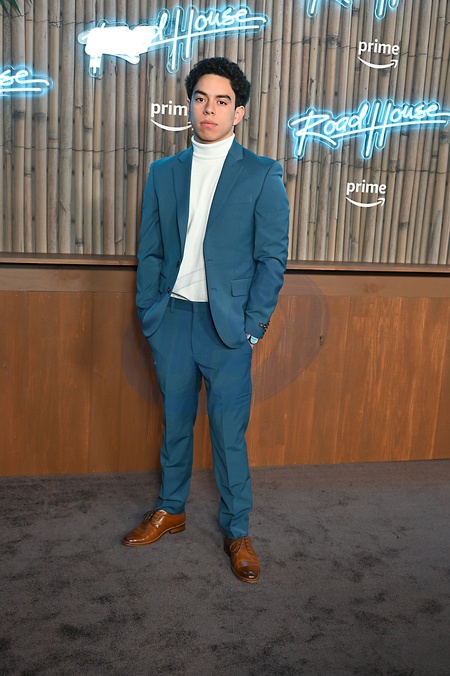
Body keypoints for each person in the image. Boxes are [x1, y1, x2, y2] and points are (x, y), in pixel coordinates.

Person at [122, 57, 290, 584]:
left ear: (238, 112)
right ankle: (170, 509)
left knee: (227, 433)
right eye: (200, 98)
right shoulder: (163, 172)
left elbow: (272, 258)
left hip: (228, 328)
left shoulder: (262, 173)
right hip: (172, 320)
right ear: (190, 105)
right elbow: (150, 251)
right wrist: (150, 312)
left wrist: (252, 327)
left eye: (221, 101)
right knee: (174, 425)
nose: (209, 109)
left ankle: (238, 531)